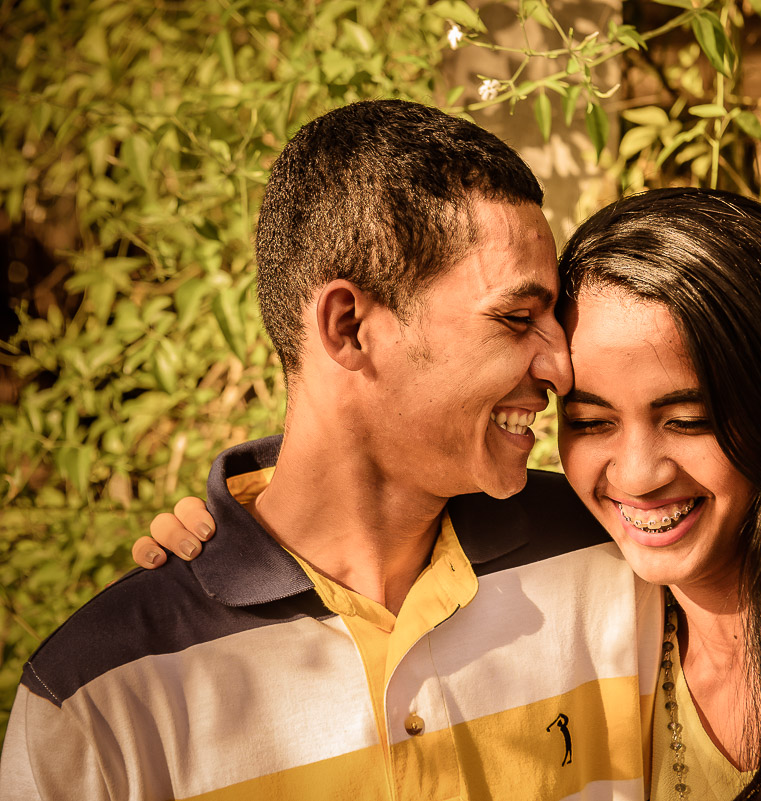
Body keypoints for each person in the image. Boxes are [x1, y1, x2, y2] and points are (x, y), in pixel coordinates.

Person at [141, 188, 761, 800]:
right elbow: (371, 491)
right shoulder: (595, 588)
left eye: (690, 417)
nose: (639, 472)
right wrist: (224, 539)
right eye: (591, 420)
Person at [0, 100, 661, 801]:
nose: (560, 368)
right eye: (516, 318)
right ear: (348, 326)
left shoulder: (616, 556)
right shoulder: (99, 695)